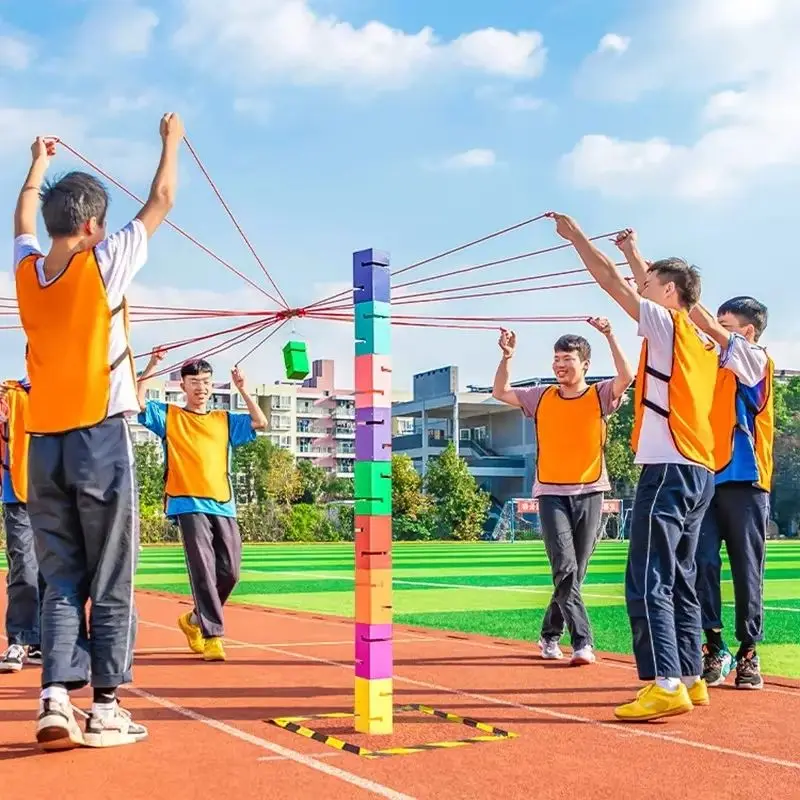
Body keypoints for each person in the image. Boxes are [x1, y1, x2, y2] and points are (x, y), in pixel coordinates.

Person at [14, 113, 183, 750]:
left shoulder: (28, 271)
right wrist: (171, 141)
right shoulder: (103, 263)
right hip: (99, 440)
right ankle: (106, 705)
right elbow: (162, 200)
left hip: (45, 446)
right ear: (91, 226)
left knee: (62, 578)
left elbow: (22, 220)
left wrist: (36, 163)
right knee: (111, 574)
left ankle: (55, 697)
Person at [548, 214, 718, 722]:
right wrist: (633, 250)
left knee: (648, 578)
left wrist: (576, 238)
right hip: (700, 470)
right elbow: (649, 282)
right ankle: (690, 677)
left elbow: (614, 285)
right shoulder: (702, 340)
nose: (640, 293)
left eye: (650, 287)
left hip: (667, 469)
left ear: (667, 293)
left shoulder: (667, 325)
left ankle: (665, 682)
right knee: (682, 578)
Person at [492, 319, 634, 666]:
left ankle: (548, 634)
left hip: (591, 491)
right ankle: (583, 641)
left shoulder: (599, 395)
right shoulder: (540, 396)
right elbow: (500, 392)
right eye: (556, 358)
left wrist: (611, 334)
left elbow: (626, 377)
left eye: (567, 359)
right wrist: (507, 357)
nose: (559, 365)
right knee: (565, 567)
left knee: (576, 572)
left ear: (584, 364)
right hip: (550, 493)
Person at [136, 348, 267, 662]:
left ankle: (194, 620)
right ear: (183, 386)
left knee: (231, 571)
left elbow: (259, 422)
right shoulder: (170, 416)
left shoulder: (224, 420)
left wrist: (243, 389)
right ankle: (213, 636)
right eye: (194, 381)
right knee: (204, 570)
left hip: (223, 502)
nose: (201, 387)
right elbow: (137, 401)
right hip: (186, 503)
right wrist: (153, 365)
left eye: (206, 381)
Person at [689, 297, 773, 690]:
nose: (713, 330)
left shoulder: (756, 360)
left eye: (724, 325)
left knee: (746, 569)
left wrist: (682, 293)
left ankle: (749, 652)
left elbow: (699, 319)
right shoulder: (712, 365)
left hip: (747, 481)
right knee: (701, 562)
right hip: (707, 477)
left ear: (748, 332)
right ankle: (714, 646)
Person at [0, 376, 45, 673]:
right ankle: (18, 639)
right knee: (24, 567)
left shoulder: (68, 389)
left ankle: (43, 639)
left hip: (58, 495)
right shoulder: (9, 393)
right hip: (17, 493)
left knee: (55, 572)